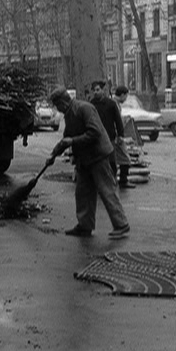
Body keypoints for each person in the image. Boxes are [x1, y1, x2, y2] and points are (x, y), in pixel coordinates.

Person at [47, 87, 130, 239]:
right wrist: (53, 154)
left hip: (98, 155)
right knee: (83, 192)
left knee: (106, 190)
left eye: (57, 105)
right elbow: (67, 138)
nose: (57, 109)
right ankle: (85, 226)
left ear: (64, 102)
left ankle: (121, 224)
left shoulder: (84, 108)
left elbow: (95, 132)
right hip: (84, 157)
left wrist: (73, 141)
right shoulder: (69, 114)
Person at [90, 81, 134, 189]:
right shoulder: (91, 104)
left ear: (103, 91)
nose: (96, 92)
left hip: (110, 137)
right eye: (94, 90)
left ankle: (114, 181)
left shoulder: (110, 104)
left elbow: (117, 120)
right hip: (96, 137)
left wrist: (120, 135)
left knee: (112, 160)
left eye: (98, 90)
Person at [113, 85, 136, 188]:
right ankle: (123, 180)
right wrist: (119, 135)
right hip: (116, 136)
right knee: (125, 158)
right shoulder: (114, 104)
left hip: (114, 135)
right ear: (122, 95)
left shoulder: (115, 104)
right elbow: (115, 121)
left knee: (116, 159)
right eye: (126, 96)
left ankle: (119, 180)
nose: (126, 99)